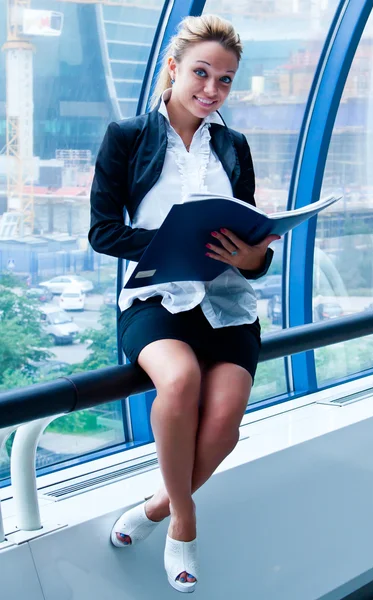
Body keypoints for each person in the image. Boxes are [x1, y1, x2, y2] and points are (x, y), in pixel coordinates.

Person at [88, 14, 279, 593]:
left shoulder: (234, 145)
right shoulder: (128, 136)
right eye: (201, 73)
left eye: (225, 80)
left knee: (223, 429)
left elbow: (251, 241)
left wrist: (252, 259)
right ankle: (183, 525)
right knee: (179, 382)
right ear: (173, 68)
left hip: (228, 301)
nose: (211, 89)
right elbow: (103, 232)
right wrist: (171, 243)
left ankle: (151, 510)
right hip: (157, 296)